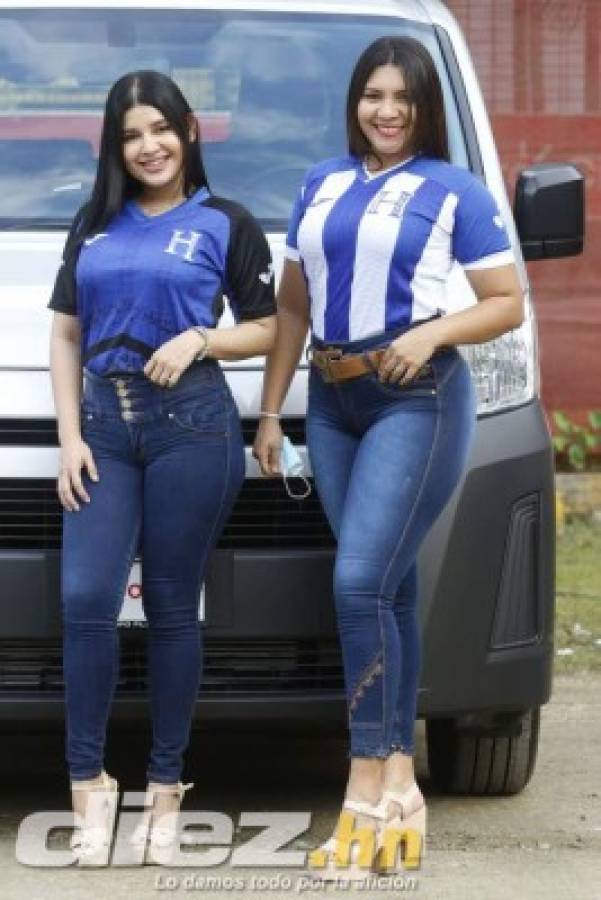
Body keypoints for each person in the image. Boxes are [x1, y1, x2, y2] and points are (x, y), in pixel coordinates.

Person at [253, 36, 523, 878]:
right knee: (387, 583)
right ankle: (403, 782)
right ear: (356, 100)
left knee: (357, 581)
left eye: (403, 97)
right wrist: (271, 411)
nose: (387, 110)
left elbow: (506, 302)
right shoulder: (320, 181)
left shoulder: (455, 190)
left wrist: (434, 328)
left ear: (424, 107)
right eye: (374, 93)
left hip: (418, 396)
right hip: (332, 402)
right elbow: (291, 309)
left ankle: (363, 785)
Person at [48, 69, 276, 866]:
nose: (148, 146)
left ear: (186, 131)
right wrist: (71, 437)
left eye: (160, 129)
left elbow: (269, 328)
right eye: (130, 135)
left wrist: (201, 338)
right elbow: (67, 334)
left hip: (192, 428)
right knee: (85, 600)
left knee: (175, 608)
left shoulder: (224, 222)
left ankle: (168, 788)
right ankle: (89, 785)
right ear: (116, 147)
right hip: (104, 431)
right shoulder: (94, 223)